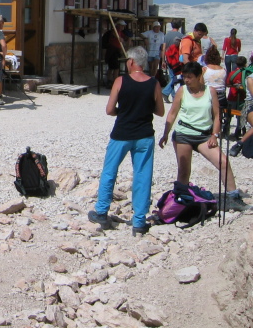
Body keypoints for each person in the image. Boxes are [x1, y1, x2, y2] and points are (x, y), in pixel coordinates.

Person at [88, 47, 164, 235]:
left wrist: (121, 111)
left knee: (110, 171)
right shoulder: (153, 83)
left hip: (122, 133)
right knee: (142, 175)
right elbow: (160, 111)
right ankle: (139, 220)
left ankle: (102, 211)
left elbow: (109, 109)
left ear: (131, 62)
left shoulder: (120, 81)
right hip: (145, 134)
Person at [159, 62, 247, 211]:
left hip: (204, 135)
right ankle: (180, 202)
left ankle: (233, 197)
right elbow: (172, 113)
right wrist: (165, 134)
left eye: (189, 77)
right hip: (183, 134)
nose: (186, 80)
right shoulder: (182, 91)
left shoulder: (210, 91)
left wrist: (215, 135)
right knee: (184, 170)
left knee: (223, 162)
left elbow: (217, 115)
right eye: (184, 77)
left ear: (199, 76)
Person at [102, 20, 129, 87]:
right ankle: (114, 81)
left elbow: (125, 37)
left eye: (123, 25)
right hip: (112, 51)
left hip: (116, 51)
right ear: (118, 25)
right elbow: (114, 34)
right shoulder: (114, 31)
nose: (123, 26)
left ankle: (111, 81)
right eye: (122, 25)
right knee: (115, 68)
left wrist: (126, 40)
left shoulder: (120, 32)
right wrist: (119, 38)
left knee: (113, 67)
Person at [161, 36, 183, 102]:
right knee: (175, 79)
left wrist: (164, 61)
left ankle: (173, 96)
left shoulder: (171, 47)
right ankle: (166, 92)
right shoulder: (177, 48)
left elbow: (166, 54)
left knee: (173, 79)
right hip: (175, 66)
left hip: (171, 65)